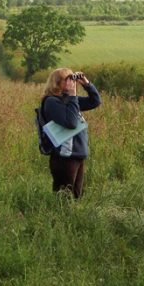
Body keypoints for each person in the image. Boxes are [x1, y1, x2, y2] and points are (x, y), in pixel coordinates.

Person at [40, 68, 101, 198]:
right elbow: (71, 123)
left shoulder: (68, 99)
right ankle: (58, 218)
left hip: (77, 154)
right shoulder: (52, 102)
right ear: (57, 83)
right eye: (68, 79)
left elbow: (95, 101)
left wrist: (86, 83)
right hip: (64, 156)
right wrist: (73, 95)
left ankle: (72, 218)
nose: (72, 82)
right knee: (64, 197)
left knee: (76, 195)